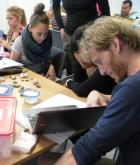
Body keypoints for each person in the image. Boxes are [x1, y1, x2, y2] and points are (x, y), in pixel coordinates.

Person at [55, 16, 140, 164]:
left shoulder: (132, 88)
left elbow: (86, 151)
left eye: (99, 62)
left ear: (115, 44)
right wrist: (107, 97)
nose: (101, 72)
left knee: (46, 159)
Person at [52, 0, 110, 75]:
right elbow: (55, 6)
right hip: (69, 36)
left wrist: (101, 34)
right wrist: (61, 27)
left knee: (92, 71)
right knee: (72, 70)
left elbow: (106, 13)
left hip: (91, 37)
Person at [65, 23, 116, 97]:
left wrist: (69, 82)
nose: (81, 57)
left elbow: (81, 90)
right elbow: (78, 81)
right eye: (76, 52)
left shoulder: (104, 65)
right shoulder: (81, 58)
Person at [11, 3, 56, 80]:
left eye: (45, 34)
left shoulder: (47, 40)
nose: (42, 38)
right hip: (24, 79)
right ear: (30, 28)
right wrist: (33, 77)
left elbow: (48, 59)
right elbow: (11, 69)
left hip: (42, 78)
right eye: (39, 34)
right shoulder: (19, 42)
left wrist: (51, 66)